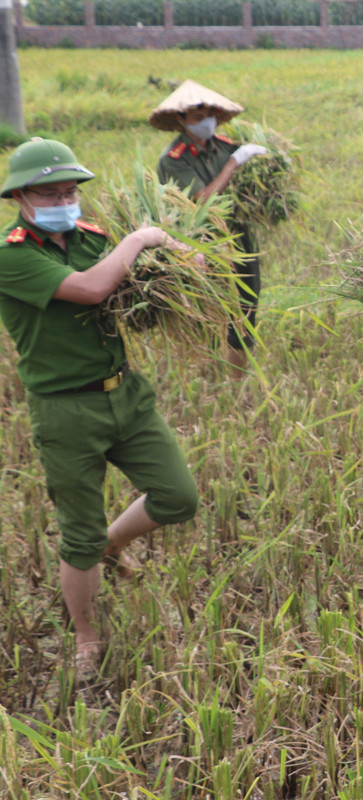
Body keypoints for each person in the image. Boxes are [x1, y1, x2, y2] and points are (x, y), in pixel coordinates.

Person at [0, 138, 199, 679]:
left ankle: (112, 544)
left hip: (126, 396)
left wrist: (184, 263)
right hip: (65, 410)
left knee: (179, 497)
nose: (65, 200)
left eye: (71, 190)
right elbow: (91, 290)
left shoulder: (95, 239)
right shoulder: (12, 255)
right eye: (51, 192)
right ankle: (86, 632)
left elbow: (136, 295)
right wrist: (139, 237)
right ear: (21, 196)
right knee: (78, 533)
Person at [150, 80, 269, 373]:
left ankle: (237, 378)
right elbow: (201, 199)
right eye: (198, 118)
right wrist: (232, 165)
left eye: (211, 116)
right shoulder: (174, 160)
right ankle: (207, 378)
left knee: (246, 305)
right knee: (210, 311)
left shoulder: (224, 146)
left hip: (238, 238)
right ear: (182, 120)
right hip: (201, 243)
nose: (207, 123)